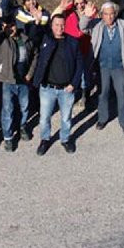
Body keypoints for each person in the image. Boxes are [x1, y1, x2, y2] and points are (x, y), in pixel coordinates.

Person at [27, 13, 83, 155]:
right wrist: (37, 21)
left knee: (66, 117)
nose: (59, 28)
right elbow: (33, 36)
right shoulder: (46, 39)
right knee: (44, 117)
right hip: (47, 88)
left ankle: (65, 139)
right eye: (56, 25)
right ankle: (45, 139)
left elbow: (79, 64)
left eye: (62, 25)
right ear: (51, 26)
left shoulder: (73, 42)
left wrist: (74, 84)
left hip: (66, 88)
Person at [82, 1, 124, 134]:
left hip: (119, 65)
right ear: (102, 15)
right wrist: (87, 16)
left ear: (115, 14)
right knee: (103, 93)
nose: (109, 17)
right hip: (103, 67)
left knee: (122, 93)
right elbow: (82, 27)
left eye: (112, 14)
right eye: (106, 14)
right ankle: (102, 118)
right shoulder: (96, 25)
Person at [0, 8, 33, 151]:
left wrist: (30, 73)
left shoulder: (25, 39)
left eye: (11, 25)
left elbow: (35, 55)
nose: (10, 28)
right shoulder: (1, 41)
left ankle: (22, 126)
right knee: (8, 110)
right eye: (5, 26)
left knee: (24, 107)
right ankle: (8, 137)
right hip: (7, 80)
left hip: (23, 79)